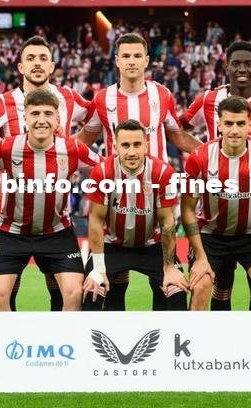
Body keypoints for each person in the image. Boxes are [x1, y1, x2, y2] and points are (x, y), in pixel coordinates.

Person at [76, 32, 200, 311]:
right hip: (116, 199)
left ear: (146, 60)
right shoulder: (103, 99)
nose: (131, 61)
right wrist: (53, 155)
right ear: (117, 61)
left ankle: (165, 334)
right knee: (109, 287)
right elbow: (83, 140)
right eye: (126, 56)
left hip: (156, 194)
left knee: (169, 289)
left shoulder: (162, 95)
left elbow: (178, 137)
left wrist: (210, 153)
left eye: (137, 56)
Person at [0, 35, 93, 312]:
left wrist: (72, 148)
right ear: (20, 67)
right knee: (5, 292)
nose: (37, 63)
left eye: (42, 58)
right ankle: (11, 340)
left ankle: (60, 339)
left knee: (62, 291)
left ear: (52, 66)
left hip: (56, 218)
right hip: (11, 217)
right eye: (30, 58)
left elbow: (97, 120)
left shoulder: (68, 98)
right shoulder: (2, 103)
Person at [180, 40, 251, 311]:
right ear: (227, 66)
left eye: (248, 64)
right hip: (213, 211)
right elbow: (177, 130)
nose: (242, 68)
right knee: (215, 286)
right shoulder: (207, 101)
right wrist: (208, 157)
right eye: (236, 63)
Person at [81, 119, 189, 310]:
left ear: (146, 145)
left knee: (177, 290)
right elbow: (96, 220)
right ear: (115, 147)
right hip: (112, 245)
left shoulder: (163, 172)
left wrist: (170, 267)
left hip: (152, 245)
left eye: (137, 144)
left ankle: (166, 329)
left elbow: (167, 222)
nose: (131, 152)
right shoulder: (102, 172)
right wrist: (98, 268)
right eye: (125, 145)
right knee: (92, 290)